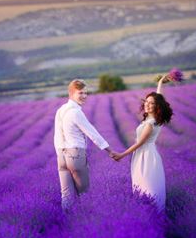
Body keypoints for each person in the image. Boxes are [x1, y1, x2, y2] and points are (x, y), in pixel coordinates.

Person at [112, 74, 174, 211]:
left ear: (157, 106)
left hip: (145, 157)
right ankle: (149, 211)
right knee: (143, 185)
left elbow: (139, 143)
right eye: (146, 101)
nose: (147, 104)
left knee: (147, 185)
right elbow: (159, 96)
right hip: (147, 154)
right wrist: (160, 83)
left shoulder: (150, 124)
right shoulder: (156, 118)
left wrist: (122, 155)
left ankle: (152, 212)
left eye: (151, 103)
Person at [54, 79, 115, 211]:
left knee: (66, 196)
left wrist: (60, 154)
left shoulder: (61, 110)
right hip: (76, 155)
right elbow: (92, 133)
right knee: (84, 195)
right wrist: (109, 150)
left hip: (62, 157)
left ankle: (67, 220)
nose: (84, 96)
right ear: (71, 93)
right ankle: (85, 219)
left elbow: (57, 136)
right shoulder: (76, 112)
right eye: (80, 93)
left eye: (86, 93)